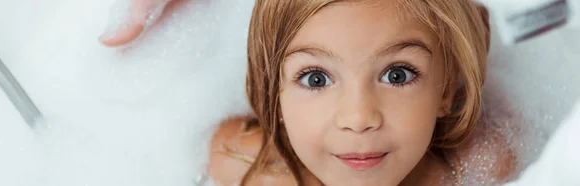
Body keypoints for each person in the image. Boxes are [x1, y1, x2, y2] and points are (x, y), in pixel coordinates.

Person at [101, 0, 516, 185]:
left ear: (446, 87)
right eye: (316, 79)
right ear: (274, 95)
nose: (358, 117)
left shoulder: (485, 165)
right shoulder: (247, 166)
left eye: (397, 74)